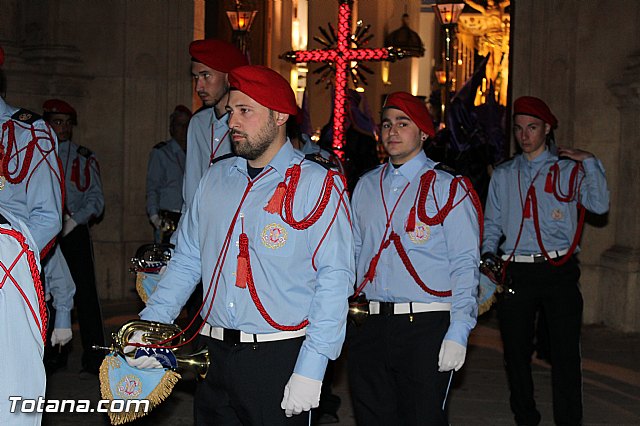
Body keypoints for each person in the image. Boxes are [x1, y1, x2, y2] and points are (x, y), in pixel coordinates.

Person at [129, 65, 354, 425]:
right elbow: (187, 260)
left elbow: (335, 278)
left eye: (246, 111)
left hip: (279, 354)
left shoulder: (317, 184)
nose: (233, 121)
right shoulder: (215, 178)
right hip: (212, 353)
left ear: (280, 115)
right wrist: (150, 326)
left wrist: (313, 366)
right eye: (231, 110)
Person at [348, 92, 482, 425]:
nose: (392, 131)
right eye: (387, 124)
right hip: (371, 322)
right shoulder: (365, 186)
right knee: (372, 417)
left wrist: (459, 329)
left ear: (423, 132)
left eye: (403, 124)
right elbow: (351, 255)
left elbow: (465, 263)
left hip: (425, 325)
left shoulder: (448, 187)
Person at [482, 96, 610, 425]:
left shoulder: (568, 170)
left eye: (533, 128)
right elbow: (492, 223)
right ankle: (525, 417)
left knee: (565, 354)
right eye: (520, 129)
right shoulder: (504, 173)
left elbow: (598, 205)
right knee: (515, 352)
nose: (525, 135)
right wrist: (487, 256)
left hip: (558, 270)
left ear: (547, 129)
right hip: (517, 271)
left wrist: (591, 162)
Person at [0, 45, 61, 426]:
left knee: (11, 399)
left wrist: (7, 256)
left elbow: (48, 217)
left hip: (9, 282)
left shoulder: (28, 131)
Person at [43, 98, 106, 374]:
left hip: (73, 230)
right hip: (46, 230)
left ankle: (94, 356)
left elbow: (96, 198)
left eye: (68, 123)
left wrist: (74, 220)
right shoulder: (38, 153)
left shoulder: (83, 155)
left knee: (85, 293)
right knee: (48, 291)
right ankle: (52, 353)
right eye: (58, 122)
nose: (64, 128)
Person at [183, 38, 248, 210]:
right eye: (196, 77)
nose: (198, 87)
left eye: (206, 76)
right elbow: (190, 183)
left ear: (228, 77)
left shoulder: (248, 124)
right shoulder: (198, 123)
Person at [146, 105, 191, 243]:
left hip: (189, 215)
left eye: (187, 125)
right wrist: (154, 217)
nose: (183, 129)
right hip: (168, 216)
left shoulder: (195, 153)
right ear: (172, 127)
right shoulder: (161, 153)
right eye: (179, 125)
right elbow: (152, 186)